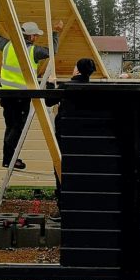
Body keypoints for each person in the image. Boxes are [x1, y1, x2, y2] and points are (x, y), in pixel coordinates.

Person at [0, 2, 63, 170]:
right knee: (17, 128)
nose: (37, 38)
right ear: (31, 36)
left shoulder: (6, 46)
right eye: (36, 35)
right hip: (22, 97)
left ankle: (8, 159)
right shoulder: (33, 51)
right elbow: (52, 51)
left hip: (6, 96)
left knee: (11, 126)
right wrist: (56, 32)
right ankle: (10, 158)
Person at [46, 58, 97, 220]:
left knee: (62, 171)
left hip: (65, 136)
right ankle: (82, 207)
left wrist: (50, 85)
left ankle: (64, 209)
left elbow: (48, 101)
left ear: (78, 70)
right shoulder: (93, 90)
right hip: (85, 138)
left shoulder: (66, 87)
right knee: (82, 171)